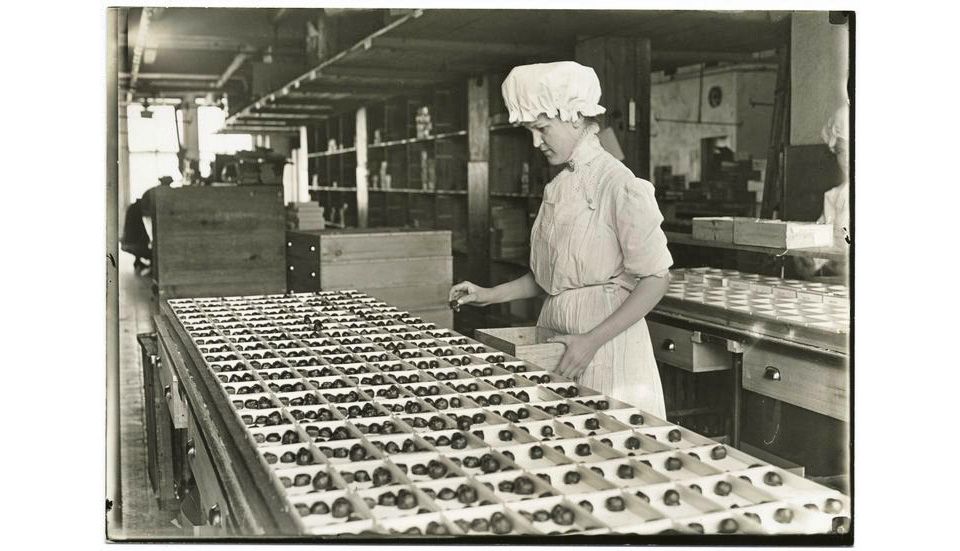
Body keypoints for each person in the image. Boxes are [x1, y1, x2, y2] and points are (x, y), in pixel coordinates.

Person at [449, 62, 673, 417]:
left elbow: (657, 279)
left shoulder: (620, 185)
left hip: (606, 344)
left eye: (541, 129)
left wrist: (591, 342)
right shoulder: (559, 186)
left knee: (611, 450)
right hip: (557, 337)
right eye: (529, 131)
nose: (536, 143)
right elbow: (548, 279)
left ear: (571, 116)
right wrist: (488, 295)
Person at [794, 104, 849, 279]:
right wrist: (809, 260)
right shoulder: (836, 196)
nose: (848, 158)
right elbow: (814, 260)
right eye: (841, 150)